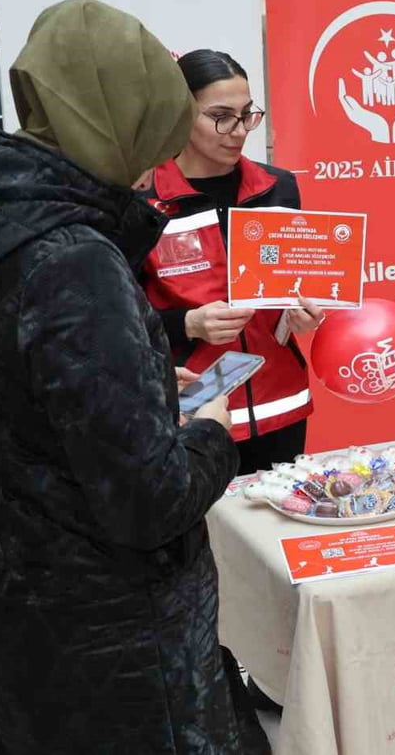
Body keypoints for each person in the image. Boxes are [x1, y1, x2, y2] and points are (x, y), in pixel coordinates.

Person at [0, 0, 267, 753]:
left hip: (5, 617)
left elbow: (14, 401)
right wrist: (209, 434)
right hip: (114, 653)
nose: (150, 166)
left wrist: (139, 381)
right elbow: (149, 501)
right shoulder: (72, 259)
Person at [139, 49, 320, 481]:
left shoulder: (278, 188)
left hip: (282, 405)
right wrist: (187, 324)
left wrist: (299, 314)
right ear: (180, 113)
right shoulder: (143, 201)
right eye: (220, 117)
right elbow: (116, 319)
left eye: (246, 115)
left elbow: (290, 286)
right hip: (194, 409)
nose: (238, 131)